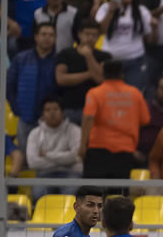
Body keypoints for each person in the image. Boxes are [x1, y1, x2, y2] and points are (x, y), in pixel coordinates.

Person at [80, 60, 150, 179]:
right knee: (119, 189)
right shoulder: (135, 93)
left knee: (93, 189)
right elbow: (145, 119)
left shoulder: (94, 93)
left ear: (103, 73)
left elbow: (88, 117)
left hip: (98, 149)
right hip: (125, 151)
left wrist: (82, 146)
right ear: (122, 74)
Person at [95, 0, 154, 92]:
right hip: (110, 61)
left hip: (135, 61)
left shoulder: (142, 10)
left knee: (131, 95)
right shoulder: (105, 8)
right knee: (111, 95)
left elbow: (149, 38)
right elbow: (101, 31)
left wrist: (154, 28)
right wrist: (111, 10)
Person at [6, 22, 58, 152]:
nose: (47, 38)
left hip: (50, 120)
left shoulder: (59, 60)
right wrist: (16, 108)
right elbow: (9, 85)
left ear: (55, 38)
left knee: (49, 157)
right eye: (43, 34)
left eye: (51, 35)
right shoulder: (21, 59)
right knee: (24, 156)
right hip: (26, 118)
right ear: (36, 37)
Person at [55, 18, 109, 125]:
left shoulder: (105, 56)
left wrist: (89, 56)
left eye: (94, 35)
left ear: (98, 37)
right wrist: (90, 74)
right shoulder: (66, 54)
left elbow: (100, 79)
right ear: (79, 34)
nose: (90, 38)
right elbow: (61, 79)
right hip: (70, 107)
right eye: (87, 34)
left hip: (95, 108)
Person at [25, 97, 82, 197]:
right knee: (38, 194)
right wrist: (66, 160)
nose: (52, 113)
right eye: (48, 110)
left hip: (71, 173)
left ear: (62, 112)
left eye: (56, 109)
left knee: (72, 193)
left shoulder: (75, 130)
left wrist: (47, 155)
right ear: (42, 114)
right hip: (44, 174)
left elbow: (76, 156)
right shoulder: (34, 134)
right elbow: (33, 163)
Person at [136, 73, 163, 161]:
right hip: (141, 157)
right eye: (162, 88)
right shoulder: (144, 107)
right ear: (156, 89)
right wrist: (134, 151)